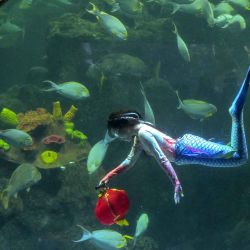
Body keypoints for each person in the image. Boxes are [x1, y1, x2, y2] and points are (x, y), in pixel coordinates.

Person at [97, 67, 250, 204]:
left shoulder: (143, 134)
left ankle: (236, 113)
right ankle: (234, 118)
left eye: (117, 133)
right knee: (234, 154)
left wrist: (176, 182)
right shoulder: (139, 136)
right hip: (187, 150)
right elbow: (129, 161)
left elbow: (161, 158)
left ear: (124, 127)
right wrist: (108, 177)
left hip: (187, 149)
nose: (119, 136)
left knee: (238, 157)